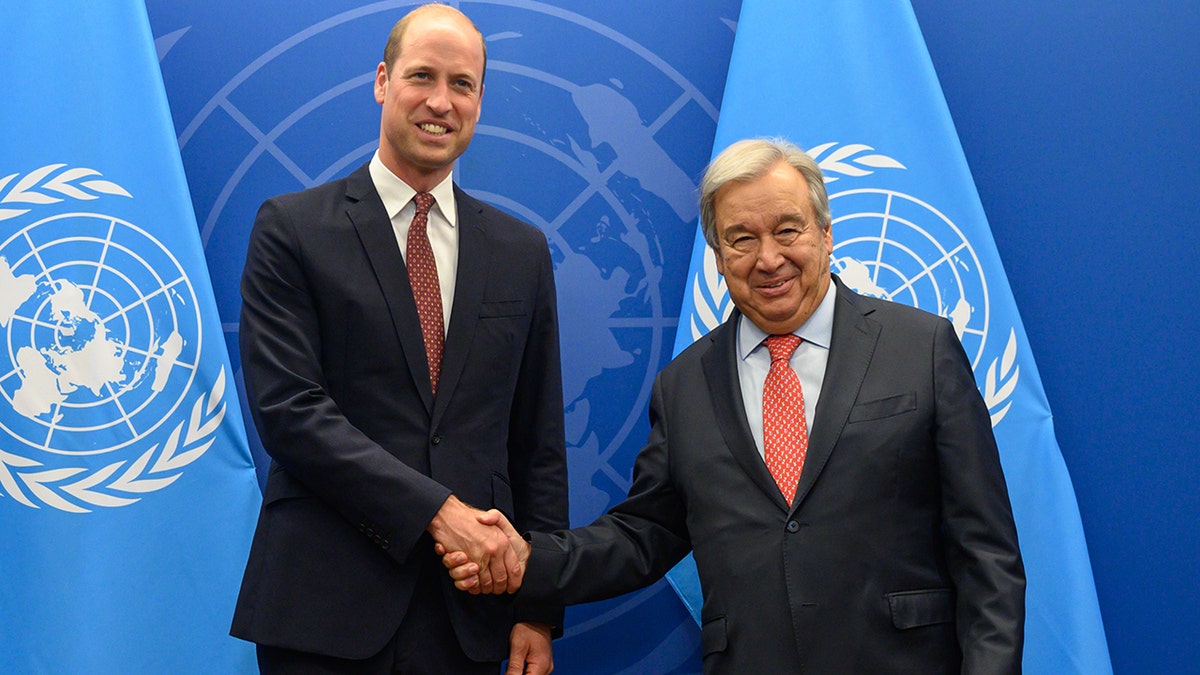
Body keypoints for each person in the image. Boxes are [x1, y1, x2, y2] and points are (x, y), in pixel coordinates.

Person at [442, 138, 1025, 673]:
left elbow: (987, 553)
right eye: (741, 238)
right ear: (718, 256)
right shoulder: (684, 386)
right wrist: (525, 559)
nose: (767, 258)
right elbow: (643, 535)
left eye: (788, 231)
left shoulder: (921, 347)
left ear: (826, 234)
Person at [230, 4, 568, 674]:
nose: (440, 101)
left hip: (471, 619)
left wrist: (538, 604)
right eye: (422, 76)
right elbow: (289, 412)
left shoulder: (520, 251)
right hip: (324, 613)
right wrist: (437, 511)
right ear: (382, 80)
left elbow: (539, 443)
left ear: (479, 99)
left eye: (462, 84)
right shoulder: (291, 229)